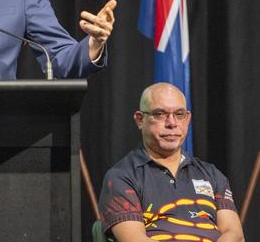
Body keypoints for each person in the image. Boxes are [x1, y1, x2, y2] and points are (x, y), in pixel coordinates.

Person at [98, 82, 245, 241]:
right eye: (160, 114)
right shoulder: (122, 177)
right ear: (140, 120)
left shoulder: (212, 174)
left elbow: (234, 234)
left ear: (188, 119)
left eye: (179, 114)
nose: (172, 123)